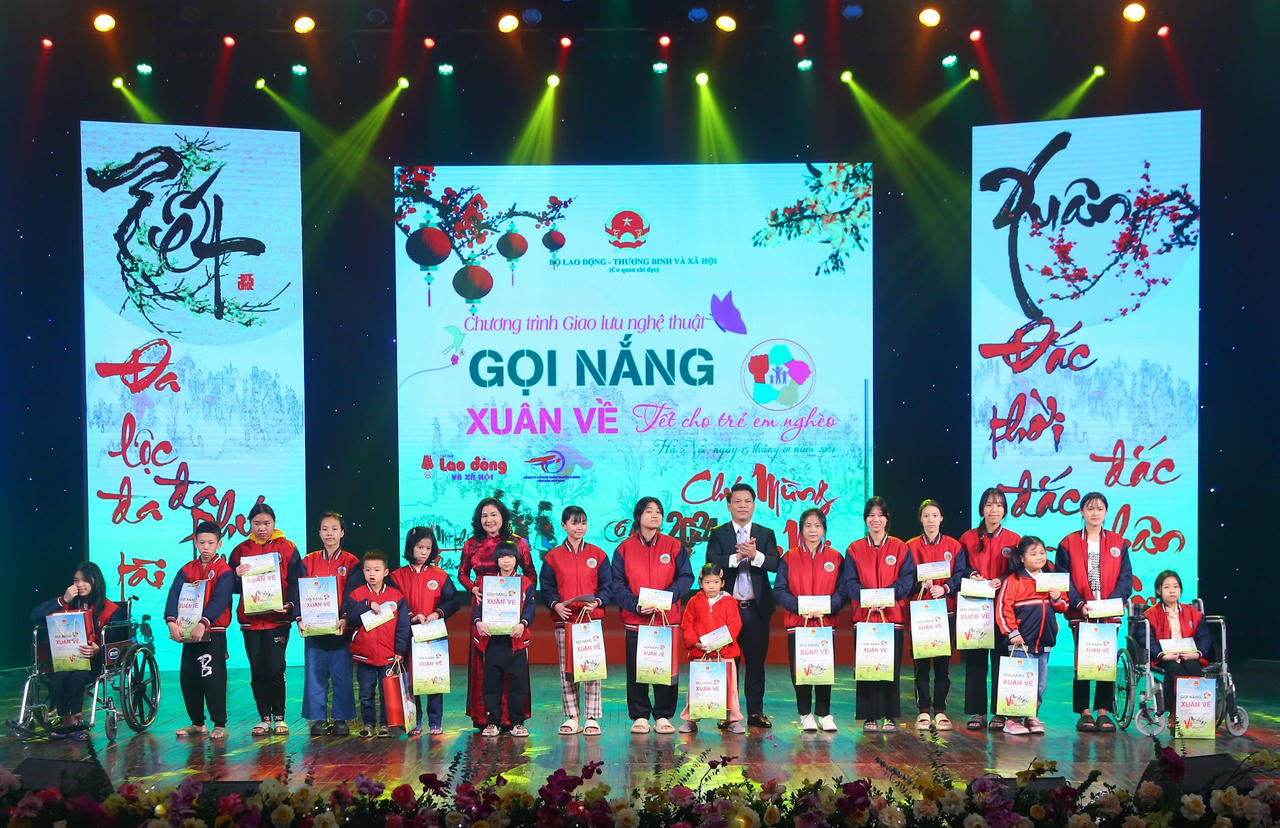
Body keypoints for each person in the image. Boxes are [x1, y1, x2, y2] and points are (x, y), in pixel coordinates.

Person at [610, 496, 695, 735]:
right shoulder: (624, 548)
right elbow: (617, 583)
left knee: (664, 671)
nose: (655, 515)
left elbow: (686, 577)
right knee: (637, 670)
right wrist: (636, 605)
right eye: (649, 511)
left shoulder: (673, 546)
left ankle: (663, 715)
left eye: (658, 511)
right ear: (638, 516)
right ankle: (639, 715)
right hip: (636, 620)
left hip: (665, 620)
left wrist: (665, 598)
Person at [1055, 491, 1133, 733]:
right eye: (1090, 508)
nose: (1095, 513)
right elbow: (1063, 579)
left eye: (1100, 508)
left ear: (1106, 512)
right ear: (1082, 512)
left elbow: (1126, 579)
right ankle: (1084, 712)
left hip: (1108, 614)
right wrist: (1080, 604)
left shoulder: (1119, 543)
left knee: (1105, 662)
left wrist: (1111, 603)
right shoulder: (1068, 543)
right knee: (1083, 662)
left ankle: (1103, 711)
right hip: (1082, 613)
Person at [704, 483, 780, 729]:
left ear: (754, 505)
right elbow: (711, 561)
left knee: (756, 664)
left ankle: (755, 712)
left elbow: (775, 564)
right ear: (729, 506)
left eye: (747, 501)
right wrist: (738, 557)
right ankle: (728, 712)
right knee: (728, 663)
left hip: (756, 610)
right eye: (737, 501)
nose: (742, 505)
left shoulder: (765, 533)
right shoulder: (719, 533)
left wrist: (755, 555)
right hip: (727, 611)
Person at [458, 497, 535, 729]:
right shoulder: (471, 544)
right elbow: (462, 574)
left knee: (514, 664)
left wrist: (519, 601)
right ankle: (487, 718)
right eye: (484, 516)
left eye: (494, 515)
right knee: (486, 665)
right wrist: (473, 589)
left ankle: (513, 718)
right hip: (484, 610)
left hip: (513, 612)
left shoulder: (518, 543)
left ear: (503, 517)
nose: (489, 520)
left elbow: (530, 574)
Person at [229, 502, 304, 736]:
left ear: (274, 524)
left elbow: (297, 582)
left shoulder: (288, 548)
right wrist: (235, 575)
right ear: (249, 525)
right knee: (257, 670)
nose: (262, 528)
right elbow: (230, 586)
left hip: (277, 620)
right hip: (250, 622)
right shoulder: (240, 550)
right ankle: (263, 718)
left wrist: (290, 605)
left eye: (266, 523)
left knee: (275, 669)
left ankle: (279, 717)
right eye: (257, 523)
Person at [844, 496, 916, 732]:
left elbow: (907, 579)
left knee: (890, 668)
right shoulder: (854, 549)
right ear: (866, 519)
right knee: (867, 668)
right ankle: (869, 716)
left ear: (887, 519)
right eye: (871, 515)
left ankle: (890, 715)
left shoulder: (900, 547)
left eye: (880, 515)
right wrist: (868, 599)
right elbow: (849, 582)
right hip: (864, 618)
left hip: (892, 617)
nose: (876, 519)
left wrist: (885, 597)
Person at [774, 507, 848, 732]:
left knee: (824, 669)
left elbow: (843, 591)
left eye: (817, 525)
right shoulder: (789, 557)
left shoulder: (836, 557)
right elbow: (780, 590)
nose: (813, 530)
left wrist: (827, 608)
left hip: (825, 623)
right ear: (801, 530)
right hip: (799, 623)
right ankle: (805, 714)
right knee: (801, 671)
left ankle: (824, 714)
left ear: (824, 529)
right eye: (808, 526)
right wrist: (799, 608)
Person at [539, 506, 610, 736]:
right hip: (566, 621)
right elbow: (547, 587)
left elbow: (607, 586)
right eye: (574, 523)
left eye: (583, 522)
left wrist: (598, 602)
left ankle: (591, 717)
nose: (580, 527)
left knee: (592, 669)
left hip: (590, 620)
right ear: (564, 525)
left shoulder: (598, 555)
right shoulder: (553, 557)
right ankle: (572, 716)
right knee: (567, 670)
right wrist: (555, 605)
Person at [31, 562, 120, 740]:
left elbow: (117, 640)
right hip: (66, 659)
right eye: (76, 580)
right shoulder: (67, 603)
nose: (79, 584)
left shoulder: (110, 609)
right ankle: (66, 723)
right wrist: (63, 600)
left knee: (76, 678)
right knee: (56, 679)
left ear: (95, 581)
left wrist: (99, 649)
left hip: (94, 662)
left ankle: (77, 721)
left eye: (85, 580)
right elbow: (34, 616)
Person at [957, 487, 1021, 731]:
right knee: (976, 661)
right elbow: (959, 568)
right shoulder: (967, 538)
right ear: (981, 508)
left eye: (999, 505)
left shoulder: (1014, 539)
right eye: (989, 504)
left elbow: (1019, 571)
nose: (994, 509)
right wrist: (973, 574)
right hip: (974, 608)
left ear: (1005, 510)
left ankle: (1001, 712)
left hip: (1003, 608)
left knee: (1002, 660)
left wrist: (1001, 579)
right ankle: (978, 711)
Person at [164, 520, 234, 740]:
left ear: (219, 544)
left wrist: (204, 622)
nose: (205, 547)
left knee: (212, 678)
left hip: (213, 632)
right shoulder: (187, 569)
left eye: (210, 543)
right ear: (195, 542)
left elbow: (220, 600)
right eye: (202, 542)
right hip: (189, 635)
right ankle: (197, 723)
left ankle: (219, 724)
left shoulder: (224, 570)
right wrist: (171, 621)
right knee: (189, 679)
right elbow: (174, 594)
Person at [995, 536, 1068, 735]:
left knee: (1039, 684)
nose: (1039, 557)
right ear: (1021, 558)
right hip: (1021, 643)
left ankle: (1031, 715)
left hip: (1044, 643)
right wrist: (1012, 632)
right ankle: (1012, 720)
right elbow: (1003, 608)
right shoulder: (1013, 580)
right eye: (1033, 554)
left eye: (1042, 553)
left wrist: (1057, 598)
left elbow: (1064, 606)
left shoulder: (1052, 580)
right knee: (1019, 682)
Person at [395, 525, 461, 736]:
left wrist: (438, 613)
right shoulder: (397, 576)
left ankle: (435, 721)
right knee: (411, 681)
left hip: (432, 635)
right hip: (407, 635)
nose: (423, 552)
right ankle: (414, 721)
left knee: (434, 679)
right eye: (419, 547)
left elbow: (454, 601)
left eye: (428, 548)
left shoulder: (439, 575)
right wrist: (411, 616)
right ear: (410, 547)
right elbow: (393, 604)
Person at [298, 511, 360, 737]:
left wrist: (345, 617)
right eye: (325, 529)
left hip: (340, 628)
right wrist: (300, 618)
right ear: (319, 533)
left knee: (341, 674)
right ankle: (318, 718)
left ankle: (341, 718)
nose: (329, 533)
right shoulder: (308, 560)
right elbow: (298, 591)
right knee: (315, 673)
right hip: (314, 628)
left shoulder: (352, 562)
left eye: (334, 528)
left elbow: (354, 594)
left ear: (342, 532)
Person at [905, 499, 963, 731]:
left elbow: (960, 574)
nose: (931, 520)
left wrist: (945, 588)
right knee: (921, 666)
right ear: (921, 519)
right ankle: (923, 711)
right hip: (921, 612)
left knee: (942, 665)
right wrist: (919, 583)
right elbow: (904, 576)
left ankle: (940, 711)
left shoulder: (954, 546)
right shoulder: (910, 546)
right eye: (926, 515)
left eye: (935, 515)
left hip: (944, 612)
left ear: (941, 518)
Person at [344, 550, 411, 738]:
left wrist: (400, 650)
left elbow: (403, 626)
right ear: (363, 572)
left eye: (376, 569)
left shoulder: (396, 596)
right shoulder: (357, 595)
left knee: (386, 693)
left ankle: (384, 725)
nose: (372, 574)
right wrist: (366, 604)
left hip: (389, 655)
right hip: (364, 655)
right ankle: (368, 724)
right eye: (367, 570)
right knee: (366, 693)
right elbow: (350, 619)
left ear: (386, 572)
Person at [473, 542, 536, 738]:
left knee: (518, 683)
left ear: (516, 559)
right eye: (502, 557)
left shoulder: (525, 582)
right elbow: (478, 607)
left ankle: (517, 722)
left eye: (510, 556)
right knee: (491, 682)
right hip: (492, 640)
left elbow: (530, 608)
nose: (506, 561)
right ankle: (492, 721)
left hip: (516, 640)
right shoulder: (487, 583)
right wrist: (478, 622)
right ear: (497, 560)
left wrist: (523, 624)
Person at [679, 562, 745, 734]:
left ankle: (732, 719)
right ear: (701, 583)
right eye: (707, 582)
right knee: (698, 688)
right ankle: (691, 720)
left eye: (716, 582)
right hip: (701, 653)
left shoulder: (729, 602)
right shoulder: (694, 602)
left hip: (724, 653)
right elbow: (687, 624)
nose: (712, 586)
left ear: (722, 583)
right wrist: (695, 643)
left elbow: (735, 624)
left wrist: (722, 642)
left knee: (729, 687)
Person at [1143, 569, 1212, 717]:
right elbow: (1146, 639)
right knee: (1175, 670)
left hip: (1189, 655)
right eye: (1167, 587)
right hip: (1165, 657)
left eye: (1176, 586)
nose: (1172, 590)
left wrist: (1197, 654)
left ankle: (1194, 712)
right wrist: (1162, 655)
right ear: (1159, 591)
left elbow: (1204, 637)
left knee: (1194, 668)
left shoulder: (1193, 613)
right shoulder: (1150, 614)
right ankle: (1174, 712)